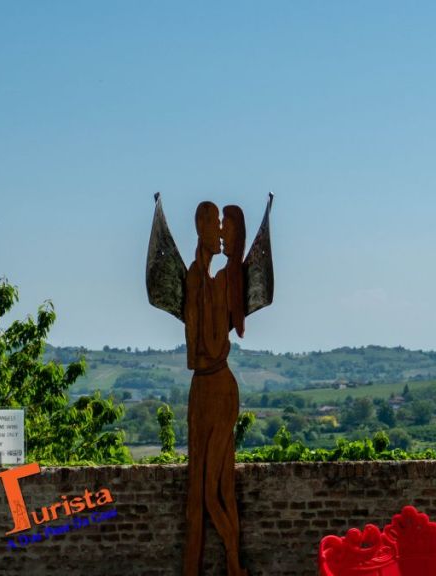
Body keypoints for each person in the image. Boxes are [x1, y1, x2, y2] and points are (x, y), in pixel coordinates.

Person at [183, 201, 246, 576]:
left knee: (216, 490)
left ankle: (234, 564)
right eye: (213, 225)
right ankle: (200, 565)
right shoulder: (195, 278)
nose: (220, 233)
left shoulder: (223, 280)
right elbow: (196, 350)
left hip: (220, 388)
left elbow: (207, 345)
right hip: (202, 389)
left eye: (224, 227)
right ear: (201, 230)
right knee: (200, 490)